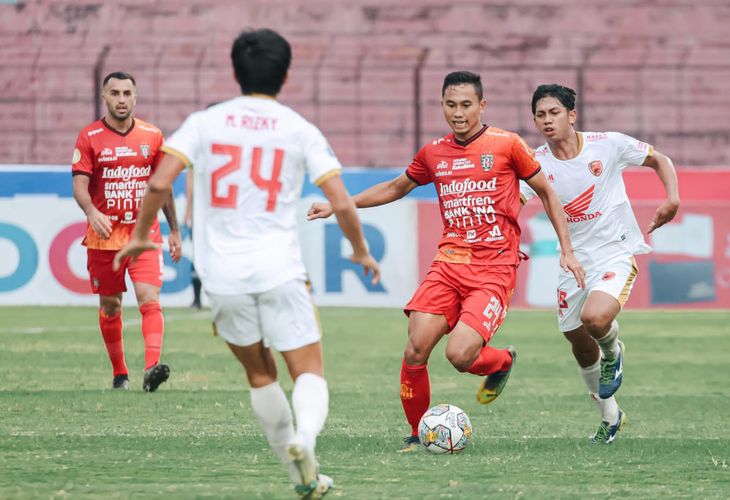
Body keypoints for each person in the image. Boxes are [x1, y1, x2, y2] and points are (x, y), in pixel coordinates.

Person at [114, 29, 379, 499]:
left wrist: (138, 238)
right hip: (280, 271)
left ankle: (304, 476)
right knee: (309, 372)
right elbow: (339, 198)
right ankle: (307, 440)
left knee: (260, 376)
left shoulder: (205, 123)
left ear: (235, 72)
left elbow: (158, 185)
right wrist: (359, 250)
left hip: (223, 279)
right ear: (287, 75)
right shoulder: (298, 127)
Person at [308, 71, 585, 452]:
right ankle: (416, 433)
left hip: (493, 270)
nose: (458, 113)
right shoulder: (433, 153)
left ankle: (501, 361)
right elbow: (394, 188)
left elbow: (548, 194)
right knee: (415, 348)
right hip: (448, 265)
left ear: (482, 106)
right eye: (451, 105)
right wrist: (339, 204)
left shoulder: (507, 146)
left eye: (466, 105)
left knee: (458, 354)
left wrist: (566, 249)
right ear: (442, 105)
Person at [520, 84, 680, 444]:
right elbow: (514, 199)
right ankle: (610, 417)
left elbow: (660, 159)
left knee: (596, 318)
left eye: (554, 113)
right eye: (540, 115)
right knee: (577, 341)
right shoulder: (536, 163)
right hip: (573, 261)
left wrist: (672, 198)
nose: (547, 120)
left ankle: (614, 352)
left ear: (571, 115)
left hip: (615, 251)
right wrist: (506, 235)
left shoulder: (607, 144)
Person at [72, 71, 181, 392]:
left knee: (149, 297)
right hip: (105, 238)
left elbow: (163, 187)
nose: (121, 99)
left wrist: (174, 230)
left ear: (136, 97)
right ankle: (120, 374)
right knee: (111, 305)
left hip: (144, 234)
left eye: (127, 93)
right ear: (104, 97)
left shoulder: (152, 135)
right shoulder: (89, 137)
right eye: (115, 93)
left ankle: (151, 369)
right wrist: (92, 212)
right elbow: (79, 186)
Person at [183, 168, 202, 308]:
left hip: (204, 214)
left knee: (199, 255)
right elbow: (190, 181)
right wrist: (188, 210)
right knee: (198, 255)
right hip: (202, 214)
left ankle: (197, 299)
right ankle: (197, 298)